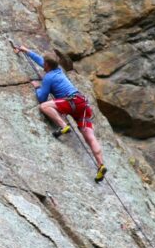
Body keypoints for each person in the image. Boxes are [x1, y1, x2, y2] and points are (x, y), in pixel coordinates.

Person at [12, 45, 107, 182]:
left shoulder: (48, 78)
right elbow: (41, 60)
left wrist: (38, 86)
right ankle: (100, 165)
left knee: (44, 106)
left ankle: (63, 126)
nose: (42, 65)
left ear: (47, 65)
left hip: (71, 102)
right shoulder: (59, 70)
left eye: (44, 64)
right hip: (82, 103)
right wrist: (26, 51)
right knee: (90, 137)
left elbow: (42, 98)